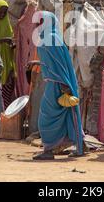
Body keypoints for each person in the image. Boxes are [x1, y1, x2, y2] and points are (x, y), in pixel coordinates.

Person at [31, 11, 84, 160]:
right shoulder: (46, 37)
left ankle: (49, 150)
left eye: (41, 21)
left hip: (58, 84)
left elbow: (60, 65)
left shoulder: (51, 38)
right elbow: (53, 61)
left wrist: (64, 84)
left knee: (46, 118)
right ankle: (74, 145)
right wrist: (37, 63)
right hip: (54, 82)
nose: (37, 25)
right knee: (62, 114)